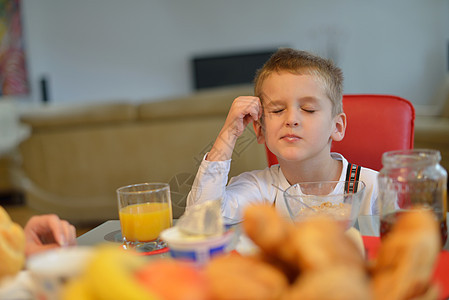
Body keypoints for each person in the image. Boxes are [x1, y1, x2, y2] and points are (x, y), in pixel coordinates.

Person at [186, 48, 378, 222]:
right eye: (277, 110)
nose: (291, 119)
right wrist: (228, 134)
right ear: (260, 130)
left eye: (308, 109)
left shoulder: (373, 187)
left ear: (337, 127)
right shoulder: (259, 188)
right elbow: (202, 220)